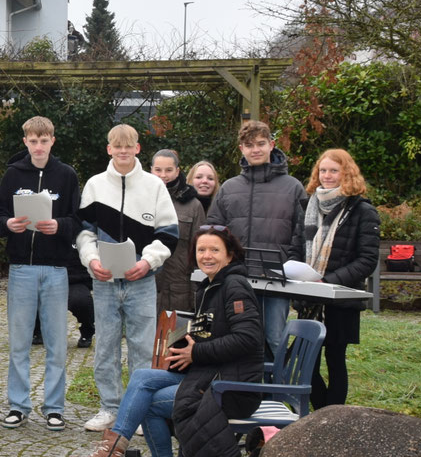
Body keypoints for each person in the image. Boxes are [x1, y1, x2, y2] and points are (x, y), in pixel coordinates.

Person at [67, 224, 264, 457]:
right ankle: (114, 452)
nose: (207, 256)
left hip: (231, 386)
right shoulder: (210, 285)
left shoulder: (235, 286)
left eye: (214, 250)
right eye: (201, 250)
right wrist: (182, 348)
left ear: (230, 255)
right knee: (142, 378)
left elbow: (248, 339)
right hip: (209, 375)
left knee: (147, 402)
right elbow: (212, 336)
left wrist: (196, 353)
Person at [75, 124, 180, 433]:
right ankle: (109, 408)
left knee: (143, 348)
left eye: (129, 145)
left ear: (137, 149)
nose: (123, 150)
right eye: (116, 145)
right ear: (109, 148)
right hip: (104, 281)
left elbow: (169, 234)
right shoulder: (95, 185)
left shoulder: (154, 186)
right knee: (105, 345)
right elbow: (84, 232)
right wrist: (91, 260)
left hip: (142, 280)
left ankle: (138, 411)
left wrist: (148, 262)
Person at [0, 117, 80, 431]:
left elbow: (78, 219)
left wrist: (60, 227)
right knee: (19, 342)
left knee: (57, 343)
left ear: (53, 141)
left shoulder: (67, 175)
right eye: (33, 141)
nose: (39, 146)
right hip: (21, 268)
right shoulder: (13, 174)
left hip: (56, 268)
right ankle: (18, 406)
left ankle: (54, 407)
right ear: (26, 141)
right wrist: (8, 225)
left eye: (44, 141)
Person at [206, 120, 307, 360]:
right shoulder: (229, 188)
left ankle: (278, 395)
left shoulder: (293, 187)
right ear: (241, 148)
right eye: (249, 145)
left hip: (277, 279)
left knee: (275, 338)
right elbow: (213, 232)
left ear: (272, 145)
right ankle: (243, 394)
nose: (256, 149)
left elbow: (302, 233)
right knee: (238, 338)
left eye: (261, 143)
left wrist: (290, 266)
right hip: (237, 280)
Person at [301, 149, 380, 409]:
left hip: (341, 299)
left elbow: (367, 260)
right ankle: (322, 411)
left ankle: (331, 417)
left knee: (335, 359)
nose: (327, 176)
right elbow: (296, 245)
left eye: (334, 171)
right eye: (323, 171)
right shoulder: (308, 206)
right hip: (309, 298)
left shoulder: (363, 211)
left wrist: (329, 281)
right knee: (306, 362)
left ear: (346, 174)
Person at [150, 149, 205, 317]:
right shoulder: (140, 199)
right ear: (151, 170)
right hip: (147, 283)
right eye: (158, 170)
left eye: (168, 170)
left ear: (177, 171)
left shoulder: (193, 205)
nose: (163, 175)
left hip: (179, 286)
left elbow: (200, 248)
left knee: (176, 339)